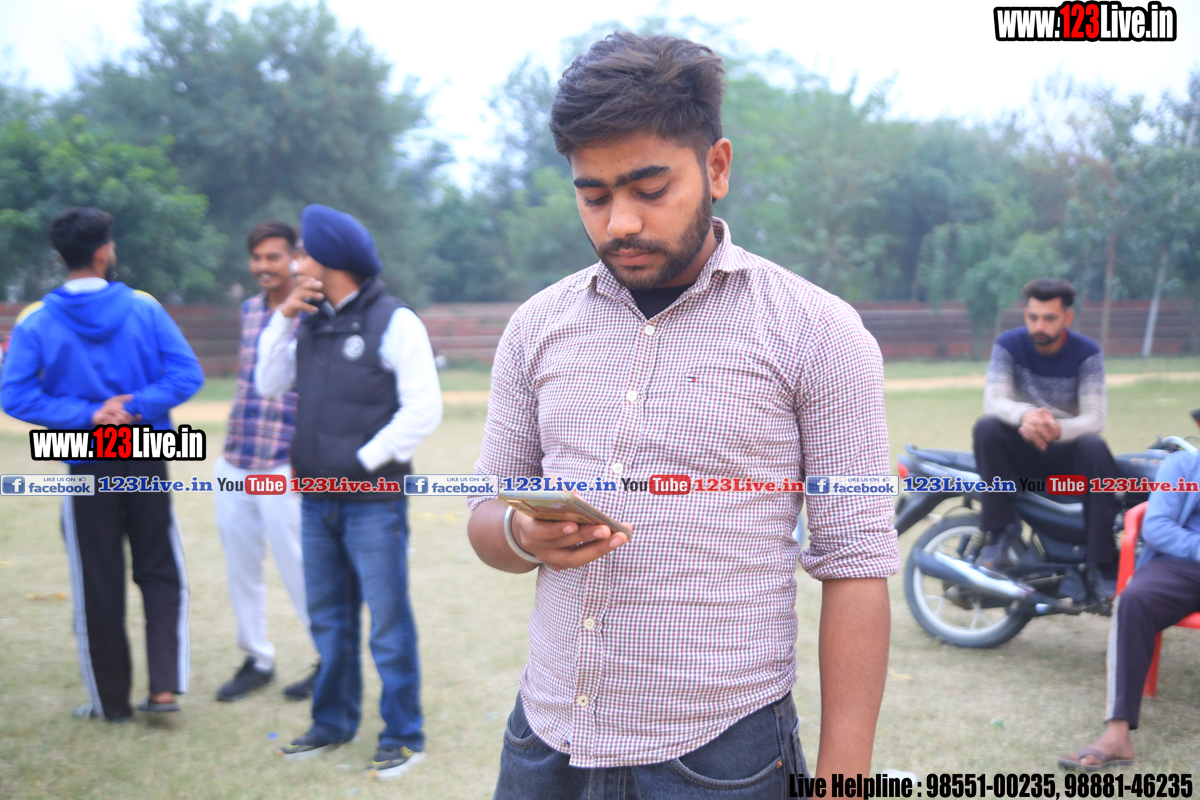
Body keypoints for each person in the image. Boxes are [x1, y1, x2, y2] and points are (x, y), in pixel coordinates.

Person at [466, 32, 898, 798]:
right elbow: (484, 516)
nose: (619, 223)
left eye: (649, 188)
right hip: (545, 739)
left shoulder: (817, 333)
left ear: (717, 168)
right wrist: (522, 534)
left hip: (720, 754)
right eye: (593, 196)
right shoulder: (537, 327)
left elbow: (856, 564)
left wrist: (843, 783)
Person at [255, 204, 442, 779]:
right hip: (316, 500)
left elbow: (423, 410)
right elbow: (268, 383)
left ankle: (404, 735)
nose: (296, 261)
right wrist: (283, 318)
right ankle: (331, 723)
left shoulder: (396, 321)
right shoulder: (308, 320)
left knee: (387, 624)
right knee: (330, 622)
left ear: (330, 259)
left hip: (373, 503)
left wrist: (359, 462)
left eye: (303, 252)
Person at [0, 207, 203, 721]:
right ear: (104, 252)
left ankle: (111, 704)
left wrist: (89, 415)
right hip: (147, 452)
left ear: (60, 257)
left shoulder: (36, 319)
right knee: (159, 569)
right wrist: (134, 407)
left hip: (87, 461)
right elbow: (187, 376)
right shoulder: (144, 307)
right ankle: (164, 691)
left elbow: (15, 396)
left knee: (98, 578)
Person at [214, 221, 319, 702]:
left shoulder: (314, 312)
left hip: (283, 463)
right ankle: (257, 658)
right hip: (236, 457)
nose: (262, 266)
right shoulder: (250, 310)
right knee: (242, 568)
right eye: (256, 257)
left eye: (273, 256)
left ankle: (328, 659)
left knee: (300, 568)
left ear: (295, 259)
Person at [973, 278, 1118, 593]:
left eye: (1050, 318)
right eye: (1033, 317)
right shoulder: (1008, 344)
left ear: (1067, 317)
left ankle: (1102, 562)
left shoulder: (1087, 352)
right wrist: (1026, 415)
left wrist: (1058, 429)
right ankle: (1000, 530)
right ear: (1025, 314)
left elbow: (1095, 417)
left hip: (1066, 449)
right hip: (1020, 443)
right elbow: (994, 400)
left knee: (1095, 447)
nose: (1039, 326)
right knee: (986, 427)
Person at [1059, 449, 1200, 770]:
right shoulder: (1184, 465)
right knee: (1135, 599)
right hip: (1179, 566)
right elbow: (1158, 526)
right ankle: (1117, 734)